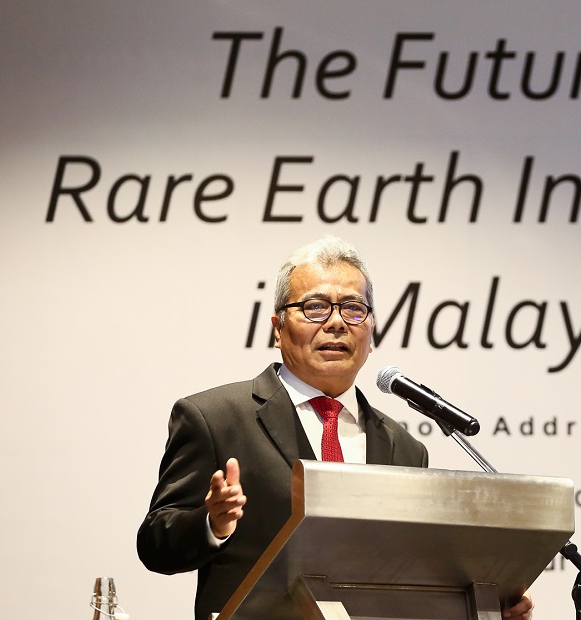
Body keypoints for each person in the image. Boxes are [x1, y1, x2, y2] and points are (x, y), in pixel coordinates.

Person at [137, 236, 534, 620]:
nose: (336, 323)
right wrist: (212, 522)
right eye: (315, 307)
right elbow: (155, 543)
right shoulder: (215, 417)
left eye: (353, 309)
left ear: (371, 333)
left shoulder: (404, 448)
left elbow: (410, 580)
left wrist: (480, 606)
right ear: (278, 328)